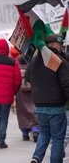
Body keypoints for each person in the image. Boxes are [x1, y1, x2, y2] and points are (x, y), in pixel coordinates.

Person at [26, 33, 69, 163]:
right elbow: (66, 84)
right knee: (57, 138)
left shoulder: (34, 60)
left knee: (44, 133)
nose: (61, 46)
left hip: (39, 105)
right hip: (56, 106)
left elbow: (27, 77)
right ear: (52, 44)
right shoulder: (58, 60)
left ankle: (36, 157)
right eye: (60, 44)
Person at [15, 54, 39, 142]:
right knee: (34, 110)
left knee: (22, 112)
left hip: (20, 90)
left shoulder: (17, 64)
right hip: (32, 90)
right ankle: (35, 129)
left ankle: (25, 133)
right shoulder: (33, 63)